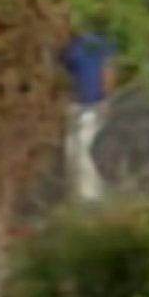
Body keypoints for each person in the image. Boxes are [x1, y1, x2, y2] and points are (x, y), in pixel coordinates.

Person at [58, 29, 116, 201]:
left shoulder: (93, 45)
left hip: (90, 103)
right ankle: (79, 190)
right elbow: (108, 71)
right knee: (75, 147)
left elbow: (107, 71)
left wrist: (106, 98)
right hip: (80, 104)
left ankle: (89, 192)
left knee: (83, 146)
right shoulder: (73, 47)